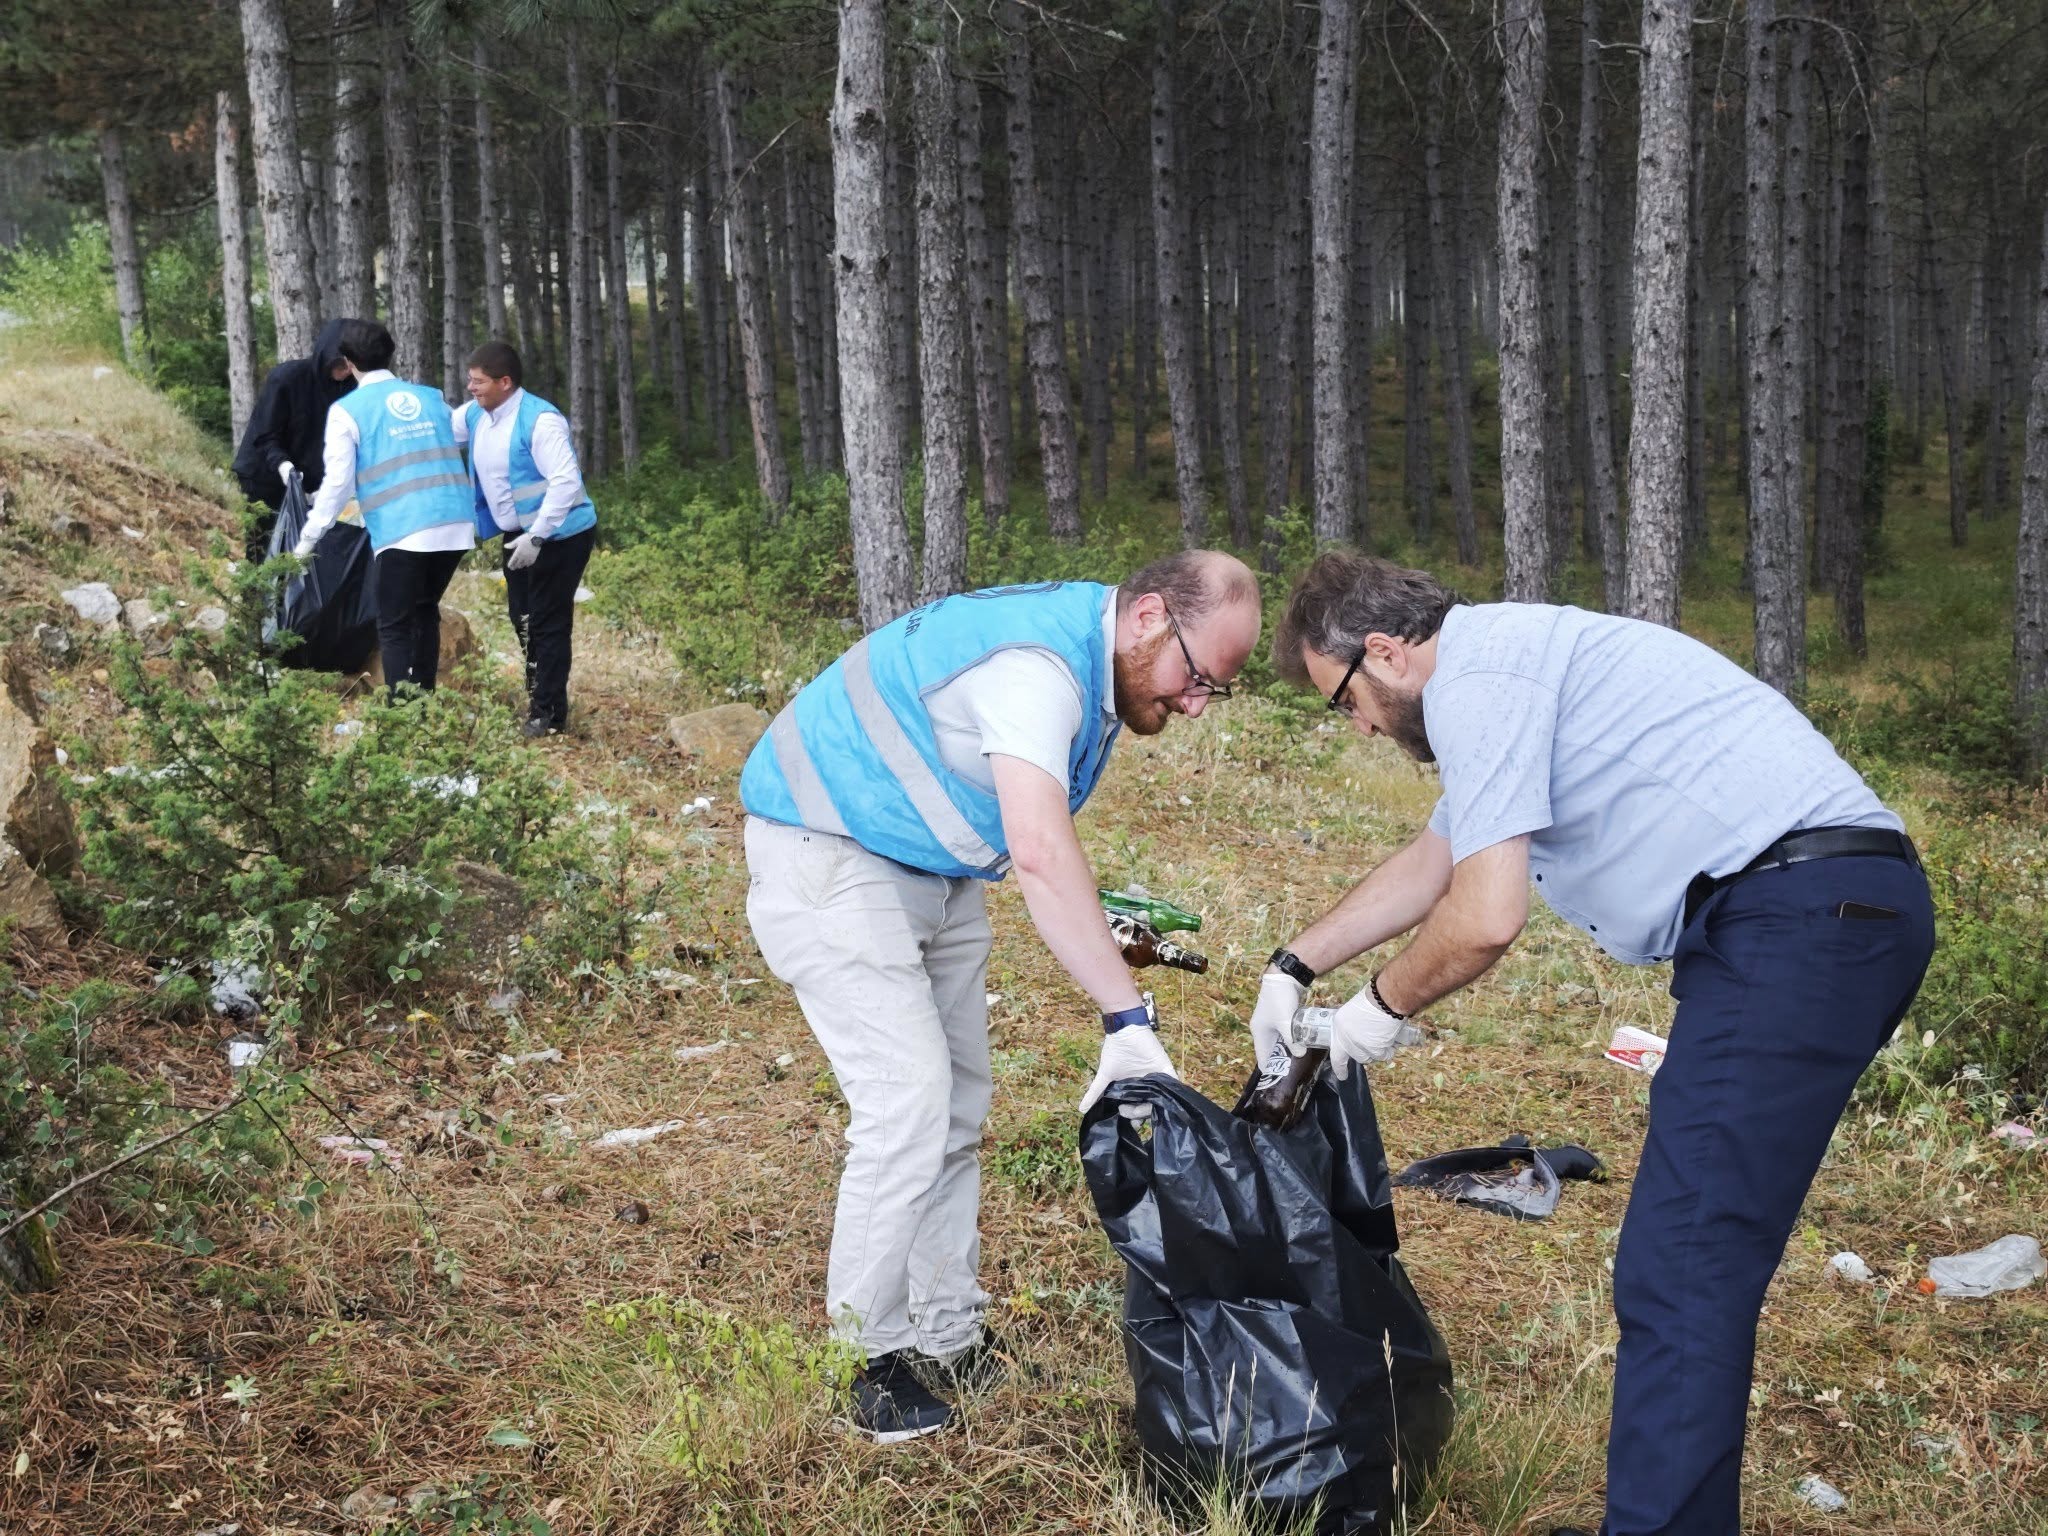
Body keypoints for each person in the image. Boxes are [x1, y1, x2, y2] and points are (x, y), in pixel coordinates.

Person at [1252, 552, 1934, 1536]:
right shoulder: (1504, 668)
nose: (1354, 726)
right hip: (1812, 913)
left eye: (1342, 702)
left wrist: (1373, 1012)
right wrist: (1292, 964)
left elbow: (1483, 917)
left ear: (1387, 654)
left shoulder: (1480, 682)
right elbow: (1435, 859)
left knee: (1685, 1259)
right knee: (1689, 1251)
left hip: (1801, 916)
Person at [739, 553, 1262, 1443]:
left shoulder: (1092, 657)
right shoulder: (1038, 671)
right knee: (906, 1103)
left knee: (958, 1104)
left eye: (1218, 688)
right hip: (826, 850)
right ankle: (861, 1356)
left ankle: (947, 1333)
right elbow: (1040, 851)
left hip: (930, 870)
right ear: (1146, 618)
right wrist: (1126, 1018)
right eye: (1197, 676)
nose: (1195, 703)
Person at [292, 319, 477, 698]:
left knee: (393, 623)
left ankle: (403, 716)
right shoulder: (432, 397)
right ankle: (422, 703)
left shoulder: (348, 411)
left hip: (403, 527)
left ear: (348, 362)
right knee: (425, 609)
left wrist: (308, 537)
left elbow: (338, 486)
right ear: (391, 354)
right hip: (455, 522)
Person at [451, 342, 597, 738]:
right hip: (520, 535)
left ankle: (548, 716)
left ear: (505, 382)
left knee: (547, 621)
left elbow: (566, 482)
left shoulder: (540, 421)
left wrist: (538, 536)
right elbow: (443, 426)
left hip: (560, 535)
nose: (471, 388)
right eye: (470, 380)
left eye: (478, 381)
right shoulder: (479, 415)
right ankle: (541, 697)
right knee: (523, 617)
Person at [232, 318, 359, 560]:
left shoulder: (352, 390)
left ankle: (294, 597)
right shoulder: (288, 378)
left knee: (307, 550)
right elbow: (266, 433)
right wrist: (283, 466)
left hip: (313, 482)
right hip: (265, 474)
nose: (344, 372)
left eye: (350, 366)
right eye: (340, 365)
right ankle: (258, 595)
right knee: (264, 547)